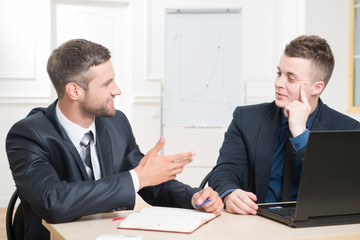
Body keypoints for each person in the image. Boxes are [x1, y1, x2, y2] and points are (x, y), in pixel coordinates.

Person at [6, 39, 223, 240]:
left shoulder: (115, 123)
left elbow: (145, 178)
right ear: (74, 91)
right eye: (106, 84)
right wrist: (137, 178)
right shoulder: (27, 135)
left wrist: (193, 197)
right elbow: (52, 201)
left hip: (107, 233)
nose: (117, 90)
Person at [209, 35, 360, 215]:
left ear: (317, 87)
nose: (278, 83)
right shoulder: (246, 118)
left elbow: (339, 190)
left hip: (312, 230)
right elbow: (224, 171)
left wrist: (300, 134)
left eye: (290, 78)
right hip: (257, 223)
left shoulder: (348, 130)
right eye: (279, 73)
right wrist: (229, 194)